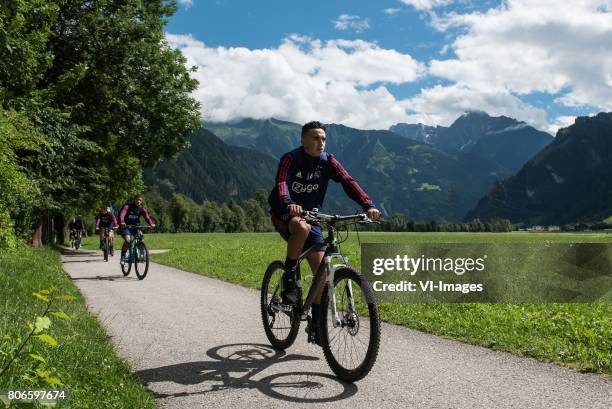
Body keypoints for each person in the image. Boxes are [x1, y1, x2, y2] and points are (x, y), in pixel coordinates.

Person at [268, 121, 380, 344]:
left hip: (313, 215)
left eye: (323, 139)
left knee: (322, 275)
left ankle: (316, 326)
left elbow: (348, 181)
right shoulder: (290, 159)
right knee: (301, 227)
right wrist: (289, 203)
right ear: (303, 139)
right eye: (315, 138)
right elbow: (281, 183)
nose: (321, 143)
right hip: (285, 212)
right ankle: (289, 277)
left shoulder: (327, 161)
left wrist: (367, 205)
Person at [119, 194, 155, 264]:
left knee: (141, 237)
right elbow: (122, 215)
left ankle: (142, 254)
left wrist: (151, 224)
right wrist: (122, 222)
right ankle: (123, 257)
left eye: (140, 200)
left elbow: (147, 217)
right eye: (137, 199)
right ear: (134, 199)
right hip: (127, 226)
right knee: (128, 240)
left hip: (136, 227)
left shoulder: (142, 208)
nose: (139, 201)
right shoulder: (127, 206)